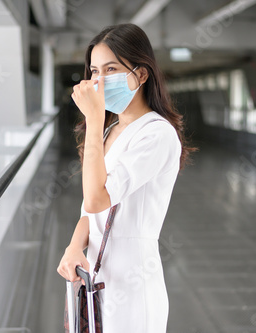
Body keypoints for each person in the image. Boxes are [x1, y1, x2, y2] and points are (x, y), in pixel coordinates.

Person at [57, 23, 196, 332]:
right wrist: (73, 246)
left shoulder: (157, 134)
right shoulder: (109, 130)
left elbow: (97, 199)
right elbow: (88, 211)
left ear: (141, 74)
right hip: (96, 276)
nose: (100, 80)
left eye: (111, 69)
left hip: (132, 285)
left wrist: (93, 119)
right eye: (94, 71)